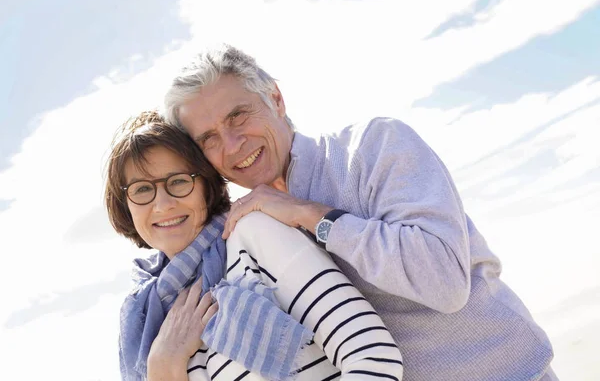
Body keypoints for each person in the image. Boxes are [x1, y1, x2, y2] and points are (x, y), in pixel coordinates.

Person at [162, 44, 557, 381]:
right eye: (209, 138)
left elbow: (444, 281)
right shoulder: (247, 233)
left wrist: (309, 214)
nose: (232, 145)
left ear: (276, 100)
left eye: (238, 116)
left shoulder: (373, 147)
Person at [105, 110, 403, 381]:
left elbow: (375, 359)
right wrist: (163, 364)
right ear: (125, 204)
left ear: (207, 187)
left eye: (179, 181)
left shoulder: (253, 234)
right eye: (142, 189)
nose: (162, 204)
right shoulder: (150, 318)